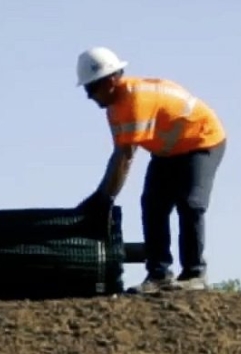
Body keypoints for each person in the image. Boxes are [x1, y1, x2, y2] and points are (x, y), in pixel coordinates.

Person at [74, 47, 227, 293]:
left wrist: (104, 198)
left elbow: (125, 157)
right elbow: (119, 154)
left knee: (191, 203)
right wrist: (102, 196)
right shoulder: (114, 109)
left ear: (110, 81)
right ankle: (159, 274)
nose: (89, 96)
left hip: (202, 141)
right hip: (168, 152)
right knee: (153, 204)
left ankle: (195, 273)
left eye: (91, 88)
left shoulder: (135, 101)